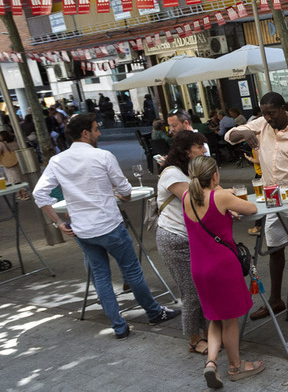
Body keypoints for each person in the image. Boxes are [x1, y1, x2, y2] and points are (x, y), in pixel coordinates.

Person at [33, 114, 179, 339]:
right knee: (132, 271)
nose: (98, 133)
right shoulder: (102, 156)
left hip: (82, 229)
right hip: (109, 225)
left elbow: (39, 194)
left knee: (101, 276)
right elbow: (125, 190)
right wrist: (122, 195)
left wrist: (59, 222)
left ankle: (119, 326)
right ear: (85, 133)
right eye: (95, 129)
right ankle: (153, 312)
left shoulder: (58, 160)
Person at [225, 92, 288, 319]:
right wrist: (246, 131)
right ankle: (275, 300)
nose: (268, 118)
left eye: (272, 113)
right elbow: (229, 136)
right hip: (271, 195)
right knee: (275, 247)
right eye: (264, 113)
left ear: (283, 109)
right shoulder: (261, 124)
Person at [181, 155, 264, 388]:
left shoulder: (187, 197)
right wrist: (226, 201)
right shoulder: (221, 196)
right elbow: (252, 207)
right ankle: (236, 366)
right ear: (215, 175)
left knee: (215, 317)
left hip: (199, 268)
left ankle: (211, 362)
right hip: (222, 267)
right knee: (230, 321)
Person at [156, 130, 210, 354]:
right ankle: (194, 339)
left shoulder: (189, 171)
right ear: (187, 151)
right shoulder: (172, 174)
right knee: (191, 291)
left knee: (203, 287)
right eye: (199, 147)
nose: (204, 150)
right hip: (174, 238)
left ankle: (210, 333)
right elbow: (197, 198)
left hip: (192, 237)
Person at [0, 131, 30, 201]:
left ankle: (23, 194)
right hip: (17, 162)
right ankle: (21, 193)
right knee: (19, 177)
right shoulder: (14, 143)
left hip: (8, 163)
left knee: (13, 179)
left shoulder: (1, 144)